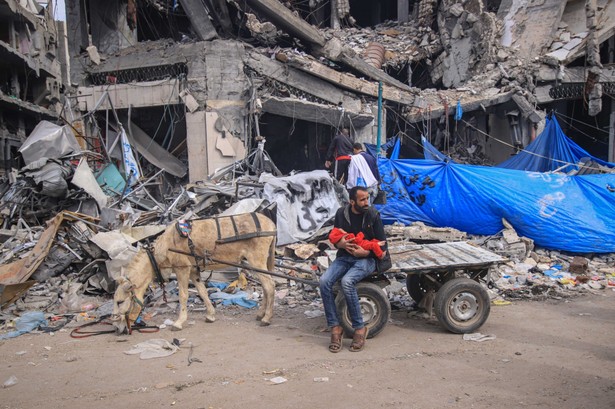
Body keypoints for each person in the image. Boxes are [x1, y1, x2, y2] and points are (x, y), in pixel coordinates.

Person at [319, 186, 387, 353]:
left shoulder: (373, 215)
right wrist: (340, 244)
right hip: (345, 257)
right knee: (324, 281)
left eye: (367, 198)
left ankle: (359, 328)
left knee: (347, 281)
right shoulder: (342, 214)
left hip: (367, 259)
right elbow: (335, 237)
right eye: (362, 199)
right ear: (352, 202)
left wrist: (366, 251)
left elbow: (383, 247)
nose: (366, 202)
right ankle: (335, 327)